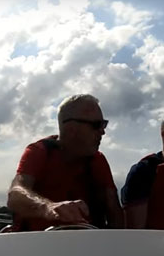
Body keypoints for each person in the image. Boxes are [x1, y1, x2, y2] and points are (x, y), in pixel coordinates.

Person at [7, 94, 124, 231]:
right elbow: (15, 194)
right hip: (36, 244)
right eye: (96, 125)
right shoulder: (40, 152)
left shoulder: (98, 160)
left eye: (104, 124)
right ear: (71, 128)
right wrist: (48, 207)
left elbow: (114, 211)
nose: (102, 132)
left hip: (87, 245)